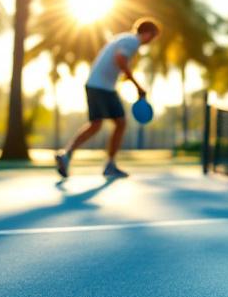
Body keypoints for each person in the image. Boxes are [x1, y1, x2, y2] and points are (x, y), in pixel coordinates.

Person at [55, 18, 161, 179]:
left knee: (99, 124)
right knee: (116, 122)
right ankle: (108, 164)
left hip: (98, 85)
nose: (152, 40)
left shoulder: (124, 38)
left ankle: (67, 155)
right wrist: (137, 86)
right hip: (101, 87)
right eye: (153, 36)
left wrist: (126, 79)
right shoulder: (132, 41)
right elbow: (119, 60)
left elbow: (116, 63)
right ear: (147, 33)